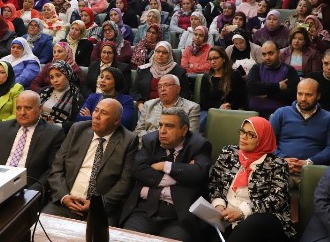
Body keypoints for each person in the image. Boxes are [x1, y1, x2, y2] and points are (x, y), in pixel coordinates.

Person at [121, 108, 212, 241]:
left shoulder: (199, 145)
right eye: (160, 125)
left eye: (169, 126)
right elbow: (136, 169)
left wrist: (165, 166)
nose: (162, 131)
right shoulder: (150, 141)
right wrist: (178, 177)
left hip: (178, 216)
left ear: (184, 130)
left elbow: (199, 173)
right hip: (144, 211)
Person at [46, 98, 138, 224]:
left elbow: (125, 182)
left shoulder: (128, 140)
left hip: (101, 209)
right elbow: (57, 167)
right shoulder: (78, 129)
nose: (96, 116)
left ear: (116, 121)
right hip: (65, 202)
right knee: (39, 229)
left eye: (104, 113)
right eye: (96, 110)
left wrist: (97, 204)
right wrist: (64, 196)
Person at [208, 117, 295, 242]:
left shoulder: (277, 164)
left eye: (251, 135)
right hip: (226, 217)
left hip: (260, 219)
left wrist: (242, 211)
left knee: (252, 223)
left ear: (263, 139)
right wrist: (219, 205)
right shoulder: (228, 153)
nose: (244, 137)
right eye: (242, 131)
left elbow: (278, 199)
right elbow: (214, 183)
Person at [0, 90, 64, 196]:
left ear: (40, 109)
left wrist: (32, 193)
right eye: (18, 108)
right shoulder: (4, 127)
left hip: (27, 189)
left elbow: (52, 170)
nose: (22, 113)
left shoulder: (53, 133)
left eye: (28, 108)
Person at [270, 78, 330, 185]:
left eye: (309, 95)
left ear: (318, 96)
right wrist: (282, 159)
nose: (303, 98)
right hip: (283, 167)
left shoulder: (329, 118)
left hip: (313, 170)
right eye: (300, 94)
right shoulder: (281, 113)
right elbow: (267, 142)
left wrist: (309, 162)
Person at [134, 74, 200, 140]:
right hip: (148, 144)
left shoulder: (192, 108)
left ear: (178, 89)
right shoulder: (148, 105)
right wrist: (152, 142)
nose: (162, 89)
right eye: (159, 86)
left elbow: (191, 135)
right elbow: (138, 130)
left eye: (167, 85)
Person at [131, 42, 190, 109]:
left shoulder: (179, 72)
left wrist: (172, 107)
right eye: (158, 51)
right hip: (146, 107)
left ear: (170, 55)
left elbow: (185, 94)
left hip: (171, 108)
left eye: (164, 53)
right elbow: (134, 92)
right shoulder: (143, 70)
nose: (160, 54)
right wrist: (140, 104)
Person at [247, 41, 300, 115]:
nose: (267, 57)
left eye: (271, 53)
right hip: (255, 113)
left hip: (280, 114)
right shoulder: (256, 68)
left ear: (278, 53)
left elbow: (291, 94)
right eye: (264, 54)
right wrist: (278, 86)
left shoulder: (289, 70)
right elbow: (252, 87)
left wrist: (267, 95)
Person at [38, 60, 84, 133]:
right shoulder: (44, 91)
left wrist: (56, 125)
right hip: (38, 127)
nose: (55, 80)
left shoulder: (76, 97)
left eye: (58, 75)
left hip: (59, 132)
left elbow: (77, 123)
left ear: (67, 75)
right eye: (51, 77)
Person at [201, 46, 246, 114]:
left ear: (224, 59)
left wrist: (230, 105)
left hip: (231, 111)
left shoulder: (234, 75)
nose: (212, 62)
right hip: (212, 112)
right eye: (210, 59)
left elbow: (241, 98)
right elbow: (204, 101)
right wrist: (219, 107)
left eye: (216, 58)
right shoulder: (206, 77)